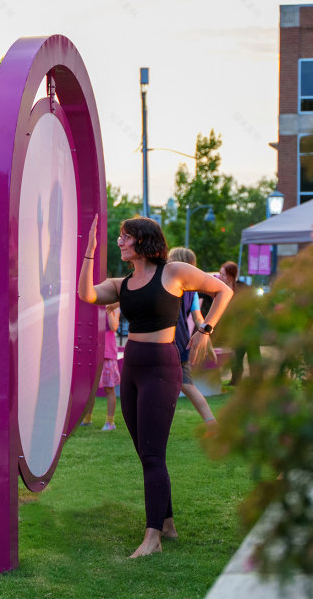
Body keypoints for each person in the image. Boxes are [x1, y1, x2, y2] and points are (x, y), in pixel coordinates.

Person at [78, 215, 233, 558]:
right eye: (119, 237)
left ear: (143, 241)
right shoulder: (123, 284)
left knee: (151, 454)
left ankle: (153, 540)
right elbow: (87, 295)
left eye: (125, 237)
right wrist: (89, 251)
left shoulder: (173, 272)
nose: (119, 242)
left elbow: (223, 290)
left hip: (162, 368)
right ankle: (167, 524)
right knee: (147, 452)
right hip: (132, 367)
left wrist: (205, 329)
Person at [166, 248, 218, 436]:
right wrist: (208, 340)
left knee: (176, 385)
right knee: (185, 385)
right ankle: (211, 423)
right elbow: (199, 319)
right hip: (182, 342)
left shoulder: (166, 283)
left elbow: (198, 319)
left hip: (167, 340)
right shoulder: (192, 292)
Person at [217, 261, 261, 385]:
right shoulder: (222, 290)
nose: (220, 277)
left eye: (222, 274)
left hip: (249, 326)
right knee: (236, 356)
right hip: (235, 329)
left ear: (230, 276)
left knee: (253, 355)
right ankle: (235, 381)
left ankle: (257, 381)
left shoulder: (243, 288)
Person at [80, 304, 121, 431]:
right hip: (93, 353)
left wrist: (108, 309)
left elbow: (114, 327)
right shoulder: (94, 306)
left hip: (108, 354)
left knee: (109, 390)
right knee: (90, 389)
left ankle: (110, 422)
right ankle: (87, 418)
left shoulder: (114, 307)